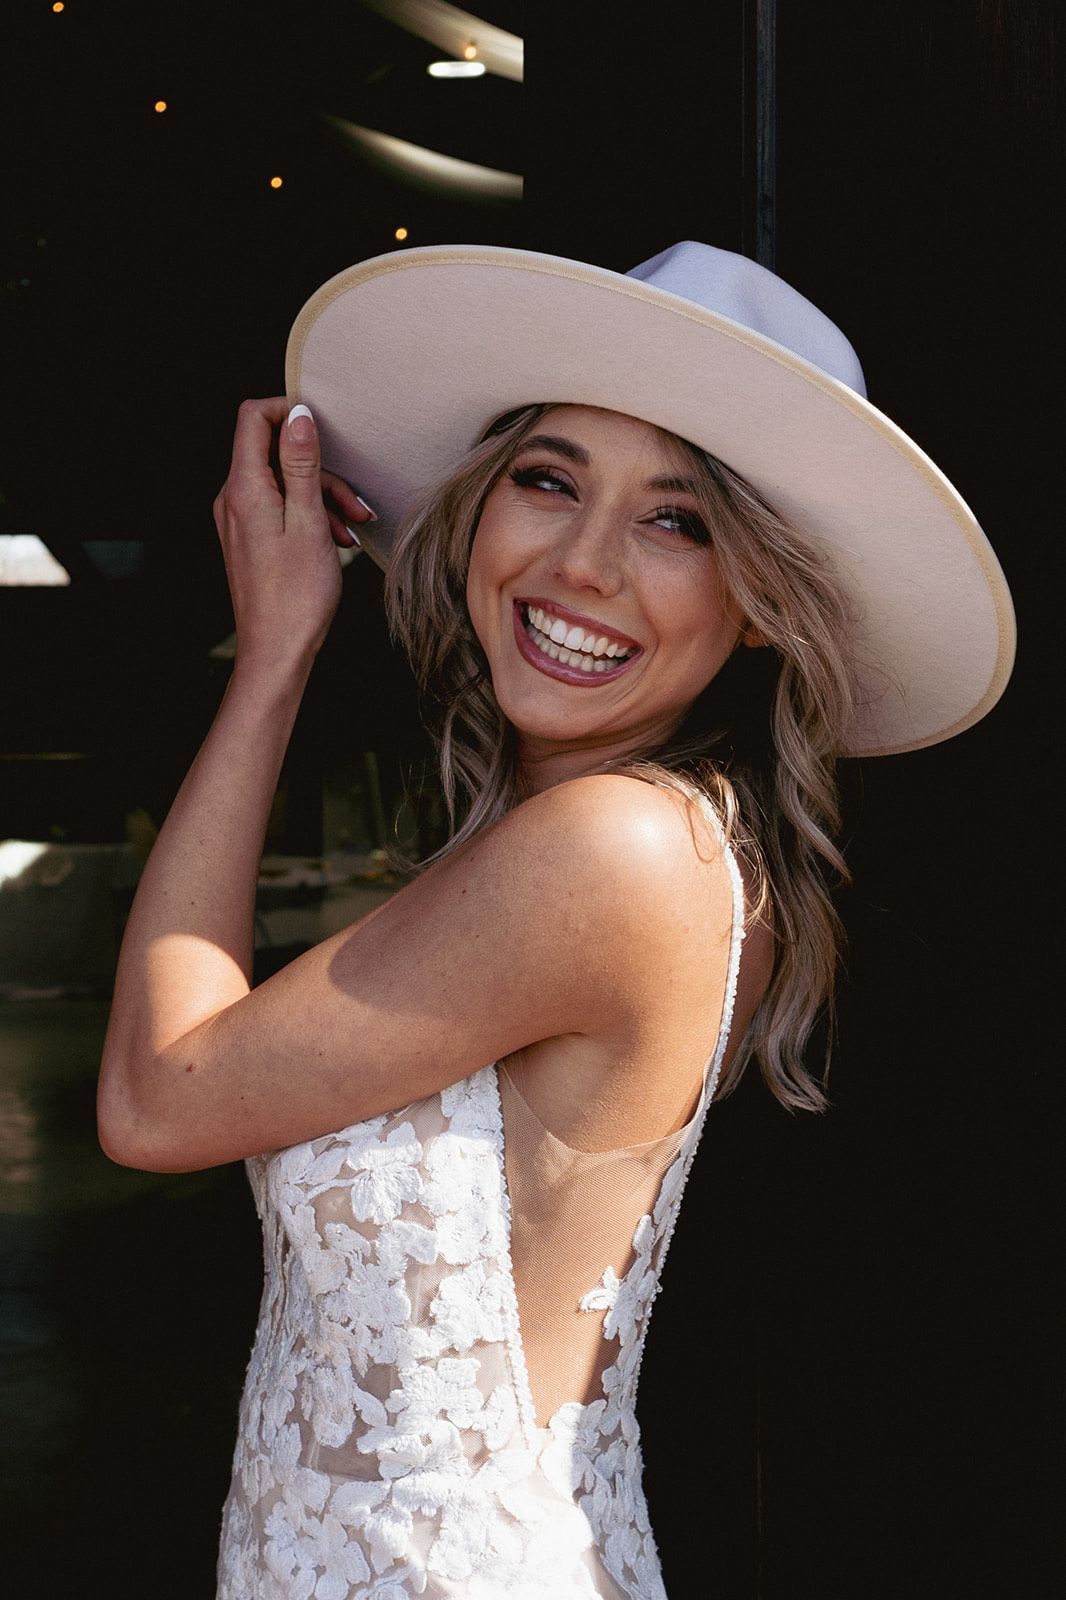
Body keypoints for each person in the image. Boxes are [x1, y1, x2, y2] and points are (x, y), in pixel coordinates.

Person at [96, 241, 1014, 1599]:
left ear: (758, 602)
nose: (581, 564)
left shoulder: (613, 846)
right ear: (478, 511)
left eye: (674, 520)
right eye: (547, 480)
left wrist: (275, 657)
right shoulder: (609, 839)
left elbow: (156, 1101)